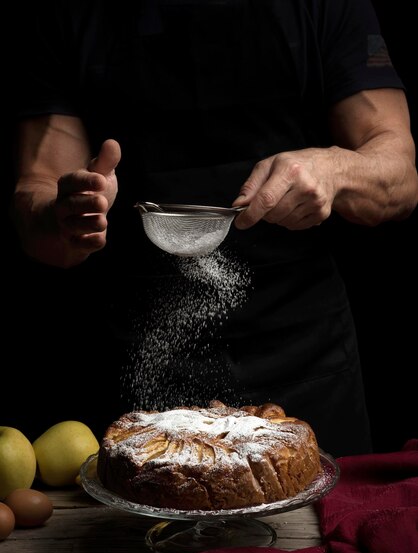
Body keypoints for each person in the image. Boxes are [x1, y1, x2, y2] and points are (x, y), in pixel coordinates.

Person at [7, 0, 418, 456]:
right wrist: (65, 215)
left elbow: (399, 175)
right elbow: (37, 194)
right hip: (138, 357)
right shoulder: (63, 13)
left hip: (304, 351)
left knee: (325, 521)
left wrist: (334, 170)